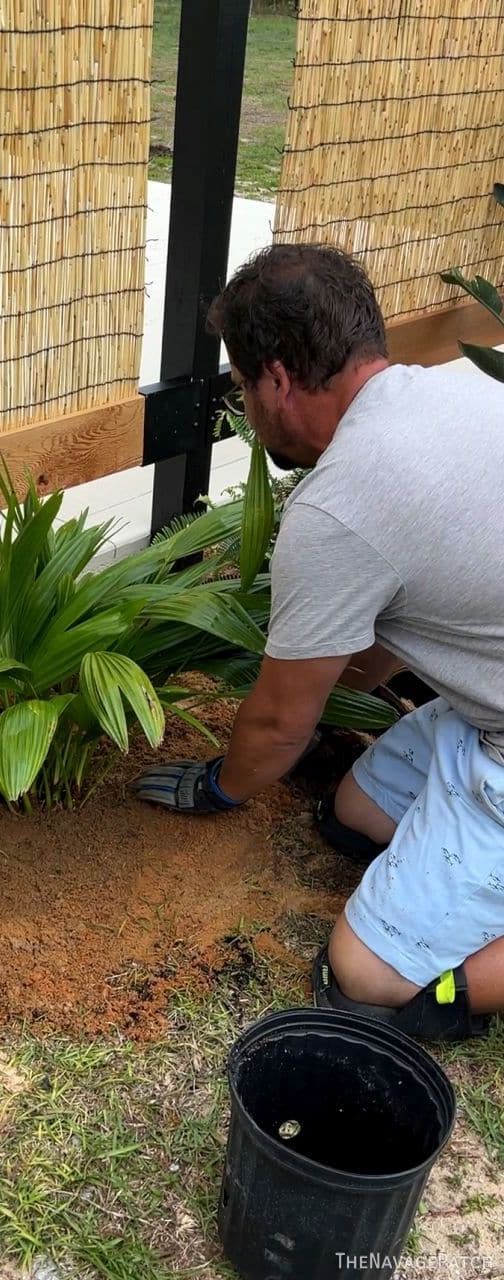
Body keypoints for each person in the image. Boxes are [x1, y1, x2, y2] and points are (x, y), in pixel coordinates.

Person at [134, 243, 504, 1042]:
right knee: (354, 814)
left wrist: (221, 787)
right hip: (488, 704)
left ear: (275, 378)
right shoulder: (450, 398)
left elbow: (277, 728)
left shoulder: (341, 509)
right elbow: (422, 618)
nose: (244, 403)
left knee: (366, 980)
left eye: (240, 385)